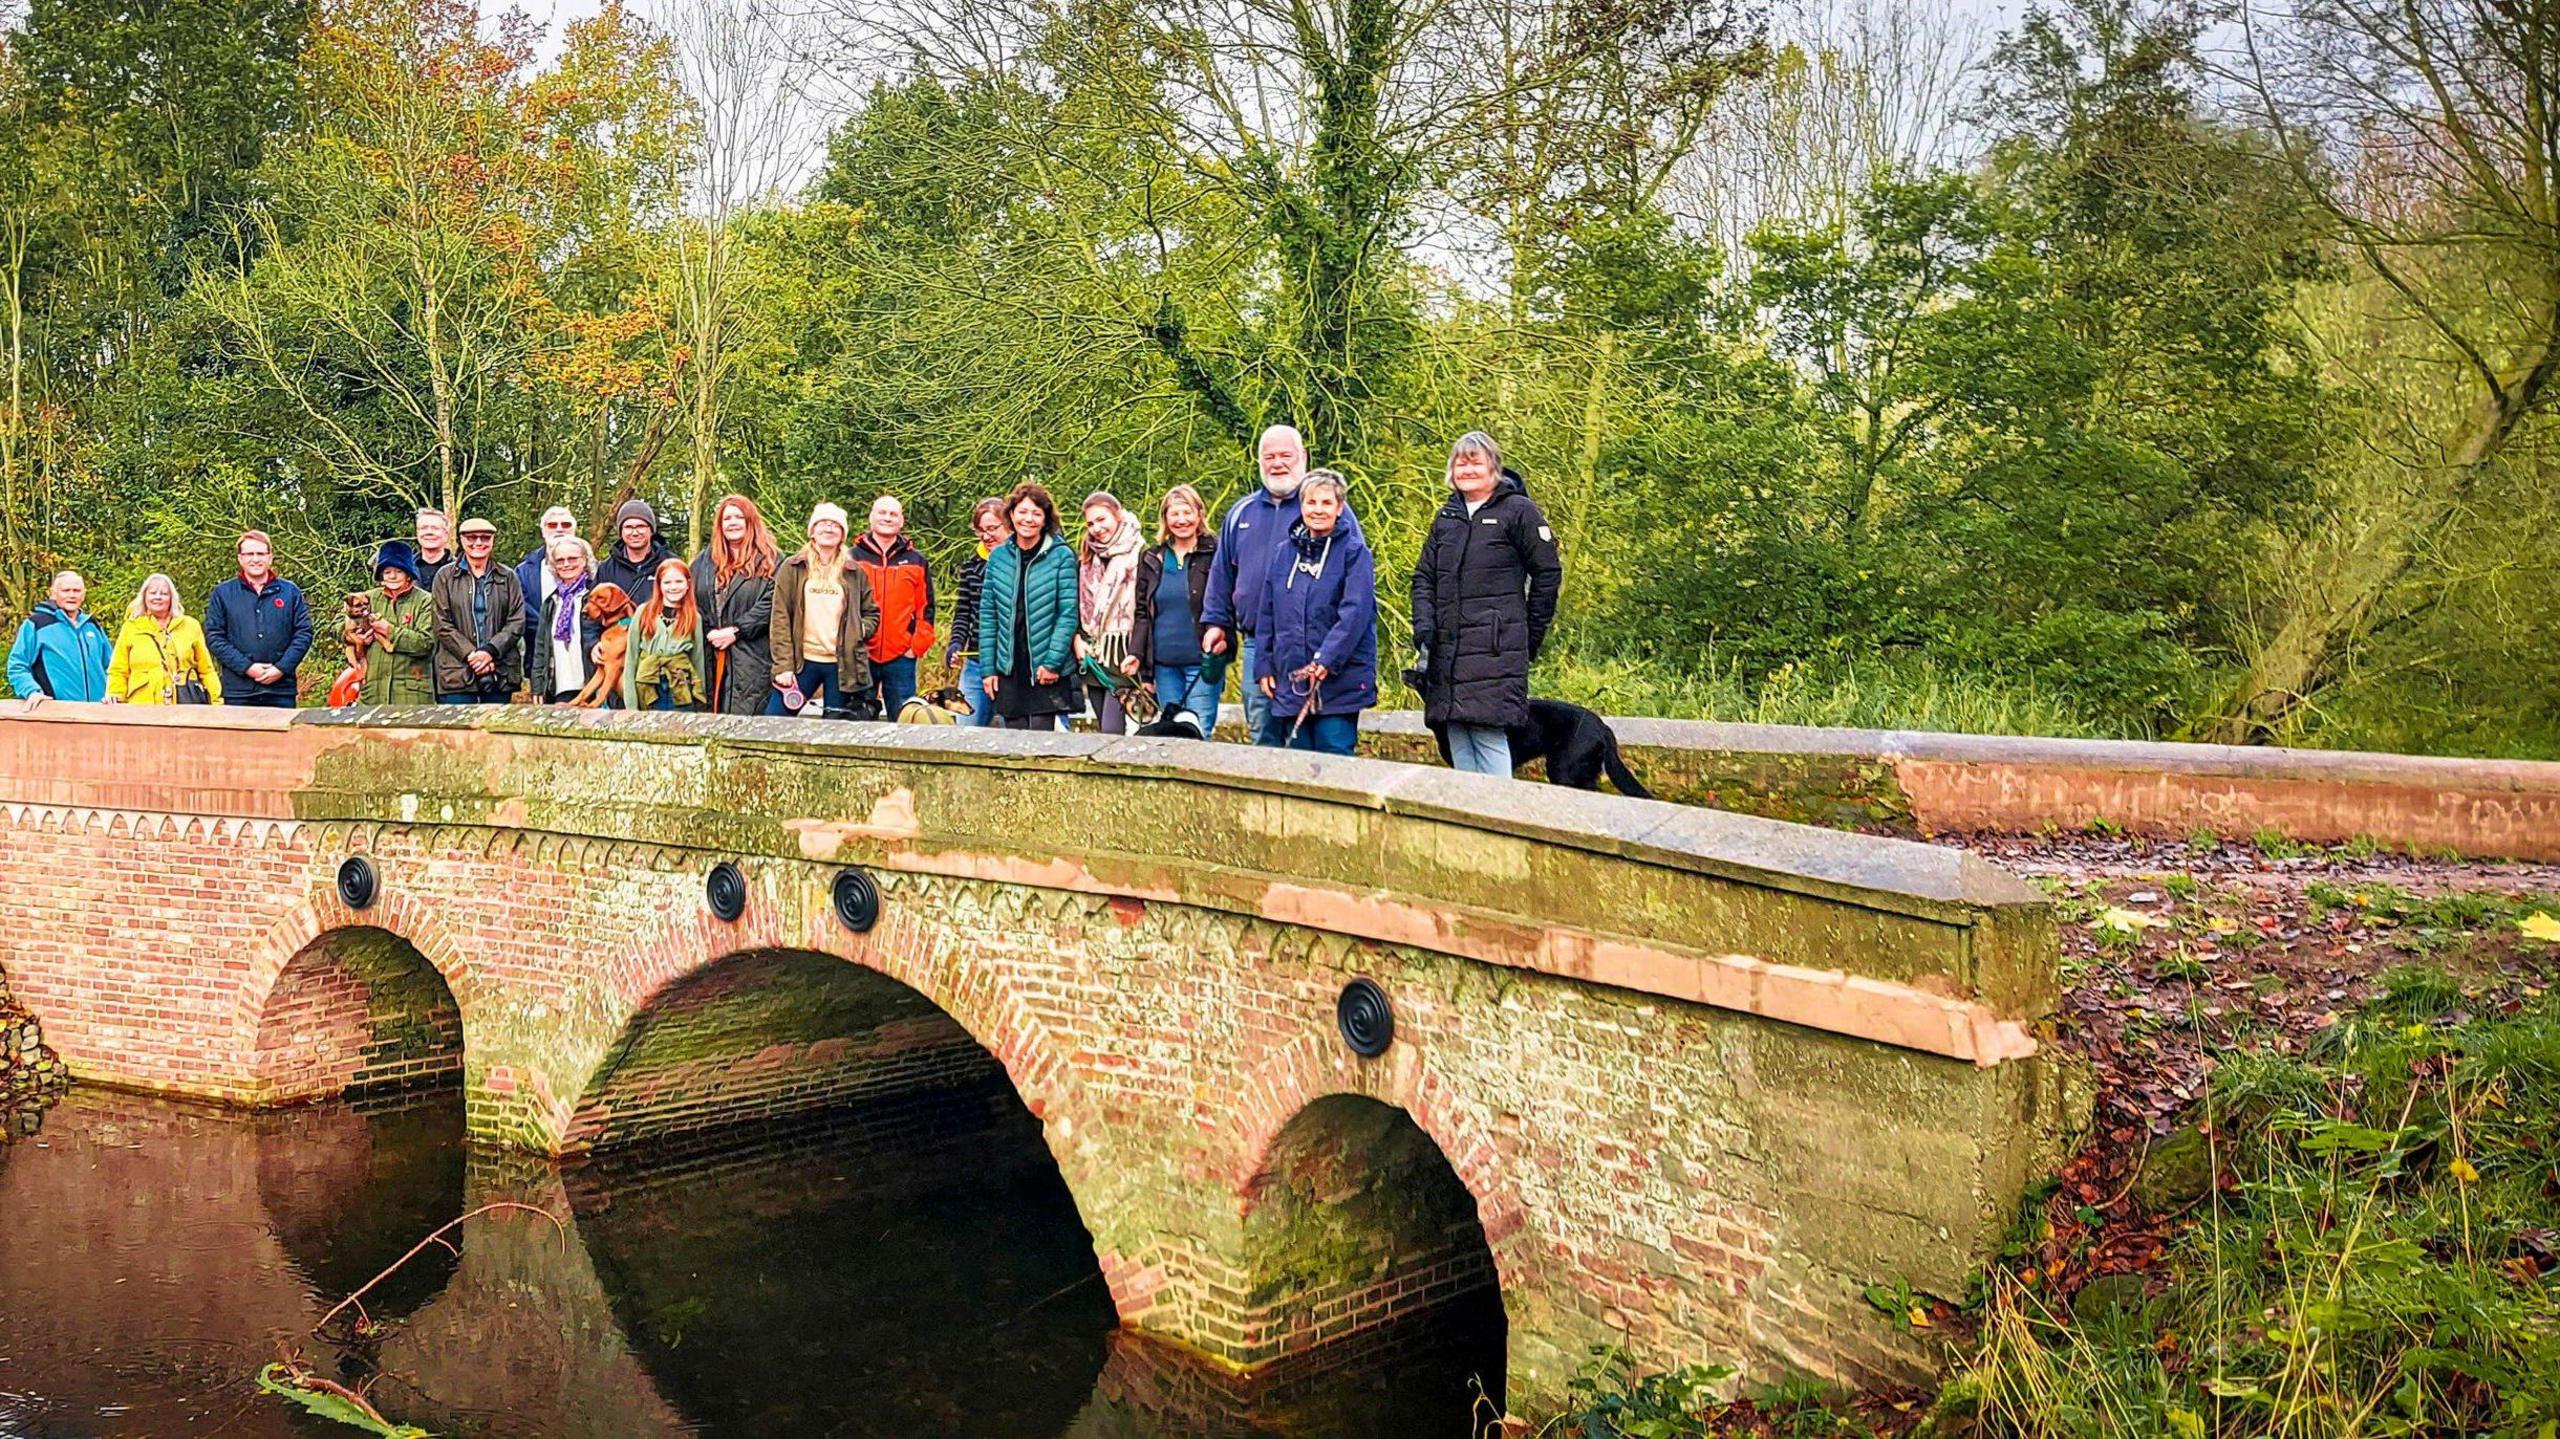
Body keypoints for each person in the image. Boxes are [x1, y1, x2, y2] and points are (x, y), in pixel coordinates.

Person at [1411, 431, 1564, 777]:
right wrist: (1424, 628)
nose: (1467, 469)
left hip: (1495, 650)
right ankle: (1470, 822)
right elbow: (1423, 578)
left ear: (1493, 467)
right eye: (1460, 462)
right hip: (1446, 650)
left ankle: (1500, 819)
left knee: (1487, 731)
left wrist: (1527, 635)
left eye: (1475, 461)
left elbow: (1547, 575)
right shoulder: (1446, 518)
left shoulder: (1519, 512)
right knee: (1457, 732)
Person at [1250, 471, 1376, 755]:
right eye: (1311, 502)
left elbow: (1355, 613)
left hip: (1338, 682)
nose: (1318, 510)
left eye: (1326, 503)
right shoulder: (1284, 554)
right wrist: (1263, 665)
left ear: (1339, 508)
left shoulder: (1355, 553)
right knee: (1297, 763)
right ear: (1301, 506)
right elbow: (1267, 613)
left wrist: (1326, 659)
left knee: (1335, 760)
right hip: (1291, 678)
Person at [1201, 424, 1308, 744]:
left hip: (1306, 642)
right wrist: (1216, 623)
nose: (1277, 463)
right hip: (1254, 642)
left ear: (1302, 457)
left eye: (1285, 455)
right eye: (1269, 456)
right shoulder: (1240, 513)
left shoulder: (1320, 508)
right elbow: (1221, 575)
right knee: (1262, 732)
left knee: (1302, 736)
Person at [977, 482, 1079, 731]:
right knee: (1013, 745)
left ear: (1045, 519)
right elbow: (989, 616)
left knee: (1041, 743)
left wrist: (1052, 662)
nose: (1028, 519)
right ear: (1011, 515)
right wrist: (988, 669)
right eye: (1022, 512)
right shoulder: (999, 557)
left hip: (1045, 664)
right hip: (1010, 665)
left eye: (1036, 513)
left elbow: (1067, 613)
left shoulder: (1061, 555)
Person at [771, 502, 880, 718]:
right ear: (812, 531)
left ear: (842, 534)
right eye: (823, 523)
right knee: (774, 719)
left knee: (836, 729)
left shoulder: (853, 572)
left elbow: (872, 613)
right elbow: (780, 617)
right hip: (802, 663)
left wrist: (857, 630)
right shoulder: (793, 567)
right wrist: (783, 666)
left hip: (842, 665)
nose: (828, 529)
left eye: (835, 525)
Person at [1130, 484, 1222, 732]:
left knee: (1199, 733)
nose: (1182, 520)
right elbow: (1142, 613)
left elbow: (1225, 603)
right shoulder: (1151, 558)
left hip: (1202, 662)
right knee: (1170, 737)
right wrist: (1136, 655)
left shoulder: (1216, 552)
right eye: (1175, 514)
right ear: (1165, 519)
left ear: (1199, 514)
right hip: (1163, 665)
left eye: (1187, 512)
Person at [692, 493, 779, 715]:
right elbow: (689, 599)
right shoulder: (703, 561)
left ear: (750, 521)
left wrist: (737, 630)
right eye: (727, 518)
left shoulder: (772, 560)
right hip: (710, 654)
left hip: (753, 656)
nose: (733, 523)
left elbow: (773, 602)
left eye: (739, 517)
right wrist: (710, 631)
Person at [204, 531, 313, 708]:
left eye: (261, 554)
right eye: (249, 554)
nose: (255, 559)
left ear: (270, 558)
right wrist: (247, 667)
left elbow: (304, 633)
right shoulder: (223, 594)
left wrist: (281, 668)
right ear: (240, 558)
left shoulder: (289, 592)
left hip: (281, 691)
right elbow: (215, 637)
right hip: (239, 692)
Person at [851, 495, 936, 718]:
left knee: (904, 721)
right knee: (856, 722)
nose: (887, 518)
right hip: (860, 653)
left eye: (893, 514)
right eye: (882, 512)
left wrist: (915, 646)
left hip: (901, 656)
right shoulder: (851, 557)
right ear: (871, 517)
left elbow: (926, 609)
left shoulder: (916, 561)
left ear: (901, 521)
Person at [431, 516, 527, 703]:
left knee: (494, 731)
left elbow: (517, 621)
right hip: (456, 672)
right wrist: (471, 655)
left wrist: (490, 651)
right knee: (457, 732)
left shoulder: (508, 577)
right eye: (471, 537)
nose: (478, 542)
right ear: (461, 540)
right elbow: (441, 623)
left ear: (492, 541)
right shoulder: (444, 577)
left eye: (485, 538)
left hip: (499, 671)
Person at [1075, 490, 1144, 734]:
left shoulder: (1141, 554)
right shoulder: (1087, 557)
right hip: (1092, 654)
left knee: (1111, 732)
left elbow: (1146, 609)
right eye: (1090, 523)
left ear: (1118, 515)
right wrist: (1077, 639)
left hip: (1123, 654)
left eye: (1101, 519)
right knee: (1103, 727)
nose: (1096, 528)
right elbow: (1075, 603)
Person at [106, 573, 221, 705]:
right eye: (153, 593)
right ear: (144, 597)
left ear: (172, 598)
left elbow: (206, 670)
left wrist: (216, 702)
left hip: (185, 705)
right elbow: (118, 669)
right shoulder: (131, 628)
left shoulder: (191, 626)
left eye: (164, 593)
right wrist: (115, 697)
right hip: (142, 707)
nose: (158, 597)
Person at [943, 497, 1006, 726]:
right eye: (980, 531)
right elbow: (963, 612)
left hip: (1010, 666)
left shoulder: (1021, 563)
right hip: (976, 663)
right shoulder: (971, 566)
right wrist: (956, 643)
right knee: (965, 730)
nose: (986, 536)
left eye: (992, 529)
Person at [8, 570, 113, 702]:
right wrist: (31, 691)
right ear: (53, 593)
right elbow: (17, 665)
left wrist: (113, 693)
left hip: (96, 712)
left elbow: (112, 667)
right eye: (66, 590)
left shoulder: (92, 626)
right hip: (55, 712)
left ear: (83, 594)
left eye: (76, 591)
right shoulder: (37, 625)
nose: (72, 595)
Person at [354, 541, 436, 706]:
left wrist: (389, 630)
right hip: (372, 693)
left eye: (398, 571)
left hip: (412, 696)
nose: (392, 576)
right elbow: (338, 625)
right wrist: (358, 636)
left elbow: (426, 643)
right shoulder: (367, 598)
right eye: (387, 571)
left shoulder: (425, 601)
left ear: (408, 574)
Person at [621, 556, 706, 711]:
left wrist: (700, 696)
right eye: (667, 582)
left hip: (681, 687)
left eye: (679, 582)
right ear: (659, 585)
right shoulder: (643, 612)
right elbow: (631, 658)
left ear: (688, 584)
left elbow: (698, 659)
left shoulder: (694, 617)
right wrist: (631, 704)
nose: (673, 587)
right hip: (649, 686)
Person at [529, 537, 604, 704]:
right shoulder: (551, 602)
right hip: (561, 685)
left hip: (592, 681)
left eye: (572, 558)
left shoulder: (596, 597)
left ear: (584, 560)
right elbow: (541, 647)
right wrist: (537, 685)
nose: (566, 564)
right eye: (560, 560)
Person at [598, 498, 674, 606]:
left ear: (651, 530)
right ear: (621, 531)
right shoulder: (607, 569)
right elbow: (592, 611)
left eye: (641, 526)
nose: (635, 533)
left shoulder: (670, 564)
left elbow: (687, 604)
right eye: (628, 527)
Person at [516, 505, 581, 613]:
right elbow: (520, 608)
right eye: (552, 525)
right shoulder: (523, 572)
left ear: (574, 530)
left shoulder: (593, 569)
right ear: (543, 532)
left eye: (566, 525)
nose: (559, 529)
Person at [413, 509, 456, 591]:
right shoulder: (405, 569)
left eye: (435, 528)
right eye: (423, 528)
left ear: (446, 534)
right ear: (417, 533)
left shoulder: (460, 570)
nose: (429, 532)